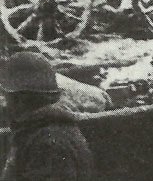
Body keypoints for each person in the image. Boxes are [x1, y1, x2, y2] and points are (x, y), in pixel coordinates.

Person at [0, 52, 96, 181]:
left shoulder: (49, 143)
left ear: (19, 99)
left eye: (7, 96)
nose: (5, 103)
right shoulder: (35, 131)